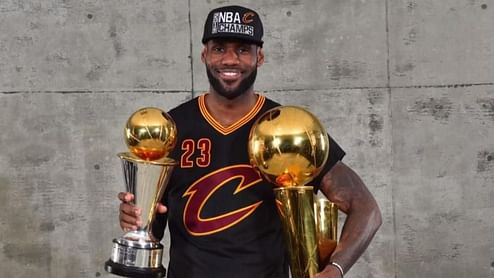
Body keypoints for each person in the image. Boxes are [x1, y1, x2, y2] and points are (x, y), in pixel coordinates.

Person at [118, 5, 382, 278]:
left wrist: (335, 270)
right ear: (204, 55)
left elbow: (367, 209)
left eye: (243, 49)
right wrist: (134, 220)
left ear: (260, 57)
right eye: (219, 48)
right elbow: (150, 229)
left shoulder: (291, 130)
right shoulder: (171, 129)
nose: (230, 59)